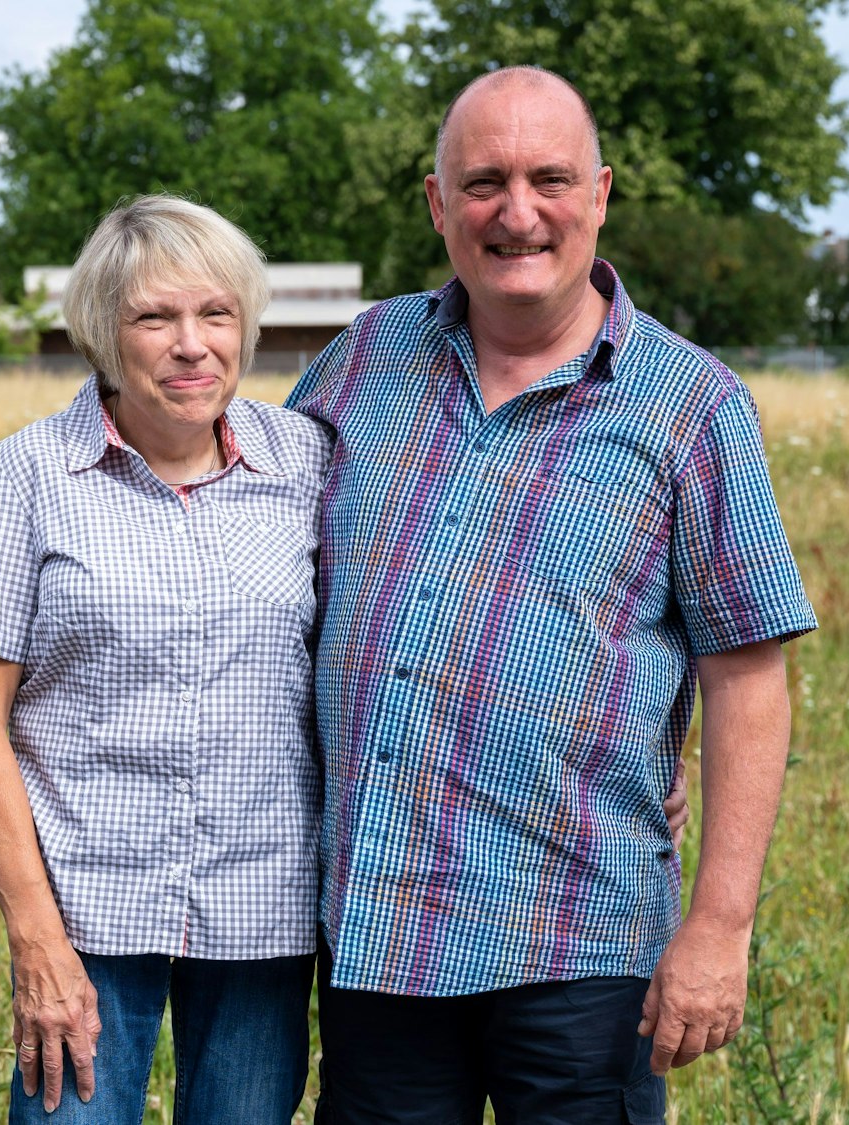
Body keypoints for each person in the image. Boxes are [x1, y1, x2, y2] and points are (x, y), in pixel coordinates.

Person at [287, 66, 818, 1124]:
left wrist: (718, 925)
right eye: (481, 182)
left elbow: (748, 675)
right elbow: (243, 554)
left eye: (548, 179)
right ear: (438, 205)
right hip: (376, 937)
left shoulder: (690, 405)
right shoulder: (359, 363)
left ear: (600, 195)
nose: (516, 213)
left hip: (579, 946)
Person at [0, 194, 329, 1123]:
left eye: (215, 314)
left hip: (260, 911)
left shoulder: (306, 461)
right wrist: (35, 939)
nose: (192, 344)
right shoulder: (29, 473)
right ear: (106, 334)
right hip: (84, 916)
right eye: (156, 317)